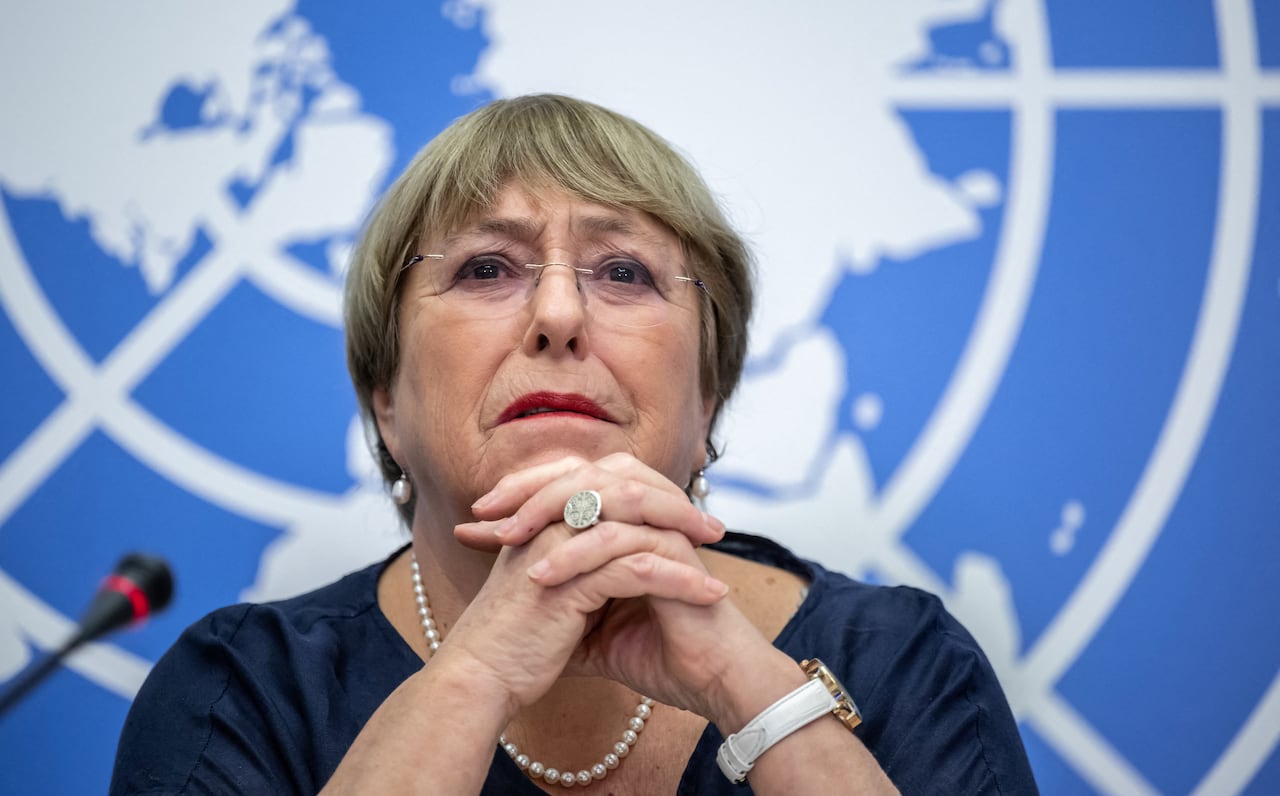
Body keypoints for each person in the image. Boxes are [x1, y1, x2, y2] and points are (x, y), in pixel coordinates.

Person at [111, 94, 1038, 794]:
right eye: (486, 268)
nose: (558, 313)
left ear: (709, 395)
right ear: (384, 398)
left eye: (624, 272)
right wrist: (474, 676)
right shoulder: (242, 689)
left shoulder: (905, 661)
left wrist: (745, 686)